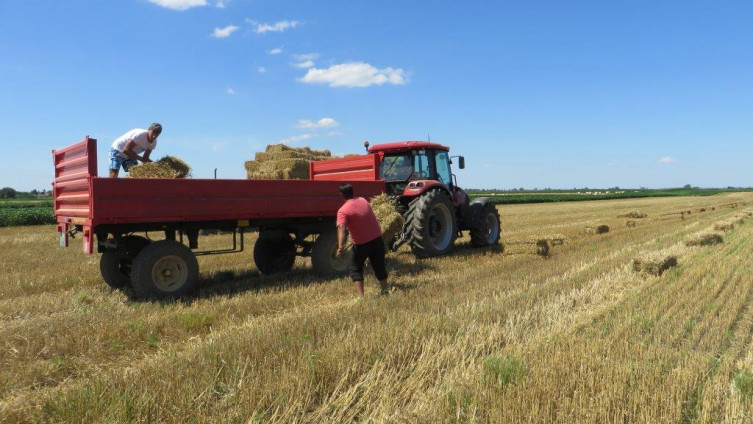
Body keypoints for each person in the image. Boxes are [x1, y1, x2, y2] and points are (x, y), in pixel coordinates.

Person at [336, 183, 390, 298]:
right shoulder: (363, 200)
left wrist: (340, 246)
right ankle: (385, 290)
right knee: (379, 265)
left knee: (355, 268)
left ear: (342, 195)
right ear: (352, 192)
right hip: (377, 239)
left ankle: (361, 297)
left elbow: (341, 228)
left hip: (362, 244)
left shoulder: (343, 210)